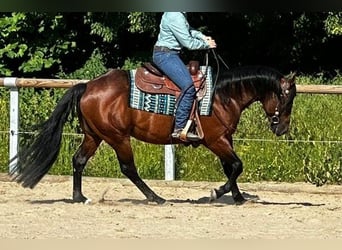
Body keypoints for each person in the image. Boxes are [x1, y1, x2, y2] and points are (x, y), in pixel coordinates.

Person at [152, 12, 217, 141]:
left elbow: (188, 30)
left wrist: (203, 37)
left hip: (170, 54)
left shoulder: (179, 13)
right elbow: (188, 43)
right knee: (188, 88)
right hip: (166, 55)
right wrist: (206, 45)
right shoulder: (175, 14)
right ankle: (179, 128)